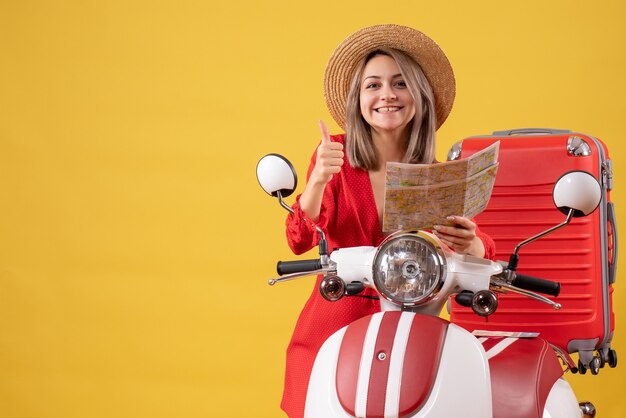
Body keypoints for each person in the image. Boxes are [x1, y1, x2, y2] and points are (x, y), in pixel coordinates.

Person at [281, 24, 495, 418]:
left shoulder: (437, 173)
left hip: (414, 325)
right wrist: (315, 183)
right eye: (373, 85)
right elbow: (297, 241)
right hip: (335, 319)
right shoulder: (335, 156)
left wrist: (472, 244)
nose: (386, 95)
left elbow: (483, 253)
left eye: (400, 83)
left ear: (419, 96)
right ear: (358, 99)